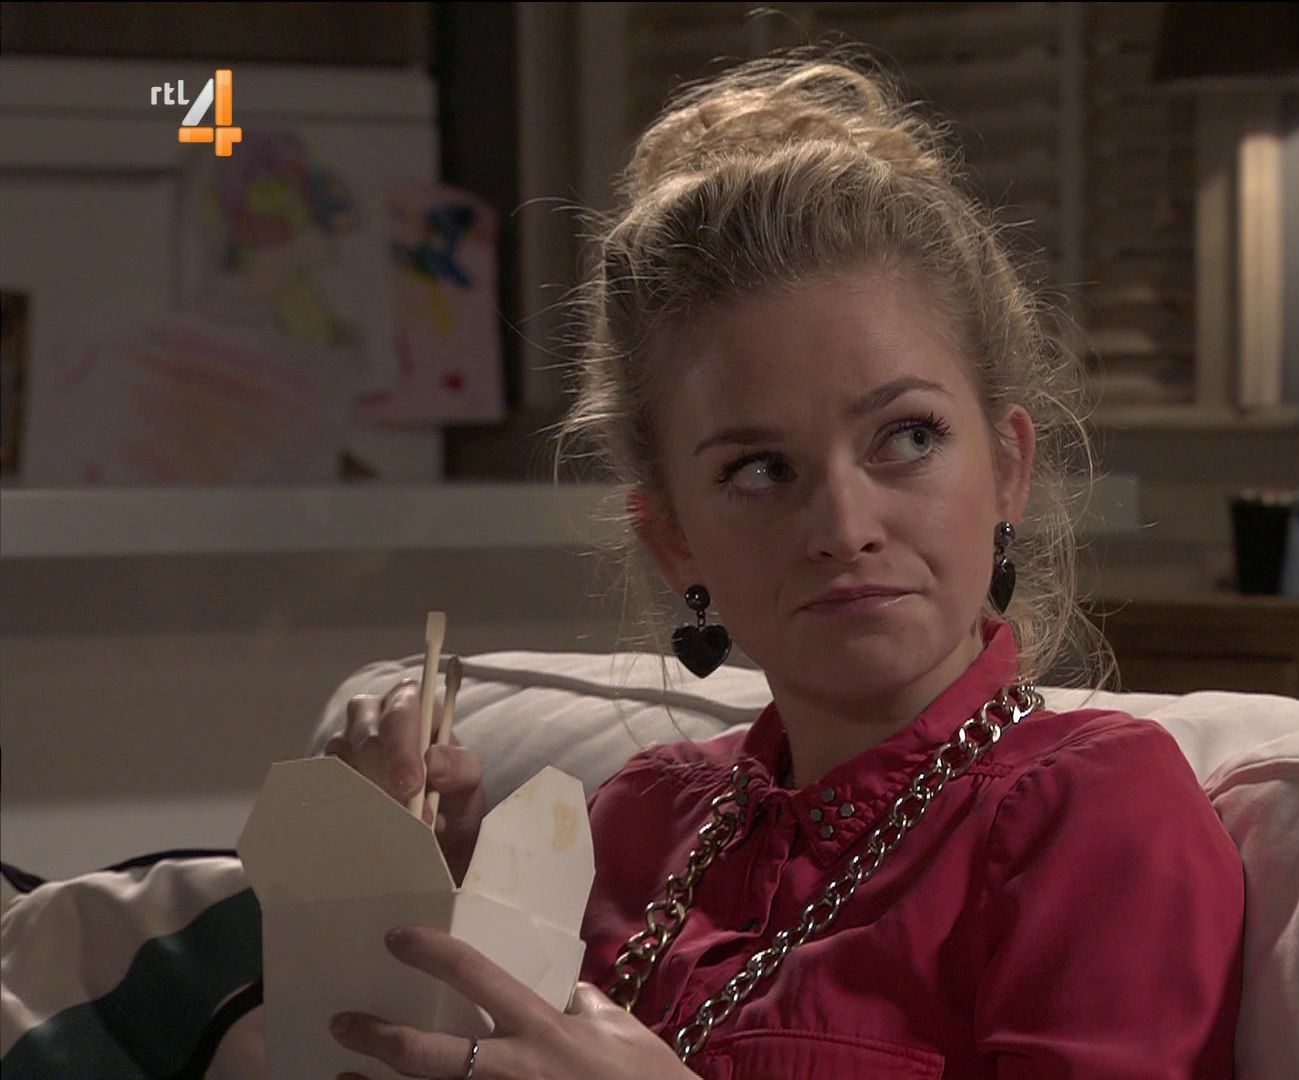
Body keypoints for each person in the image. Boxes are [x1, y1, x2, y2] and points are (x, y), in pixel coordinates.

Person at [326, 48, 1245, 1079]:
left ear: (1007, 468)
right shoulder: (637, 820)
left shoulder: (1090, 811)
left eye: (907, 437)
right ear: (674, 539)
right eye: (761, 469)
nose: (844, 526)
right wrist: (414, 882)